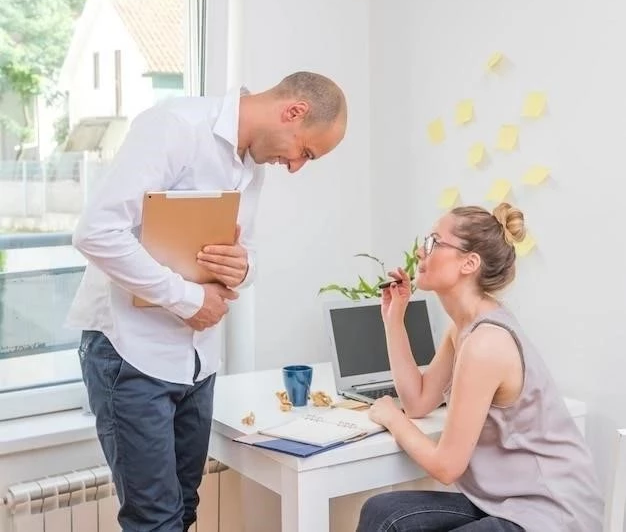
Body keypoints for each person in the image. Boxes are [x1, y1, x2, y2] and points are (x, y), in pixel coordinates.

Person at [67, 71, 347, 532]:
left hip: (197, 362)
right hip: (130, 356)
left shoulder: (251, 166)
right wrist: (187, 298)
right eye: (306, 152)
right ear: (293, 112)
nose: (296, 167)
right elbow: (96, 232)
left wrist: (243, 267)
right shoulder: (175, 126)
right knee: (154, 521)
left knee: (185, 510)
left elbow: (246, 252)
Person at [356, 203, 603, 532]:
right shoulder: (463, 328)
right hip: (504, 501)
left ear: (468, 263)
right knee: (382, 512)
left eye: (433, 241)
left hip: (551, 513)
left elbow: (446, 467)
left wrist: (390, 417)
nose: (420, 249)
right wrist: (394, 320)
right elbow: (417, 401)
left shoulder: (486, 343)